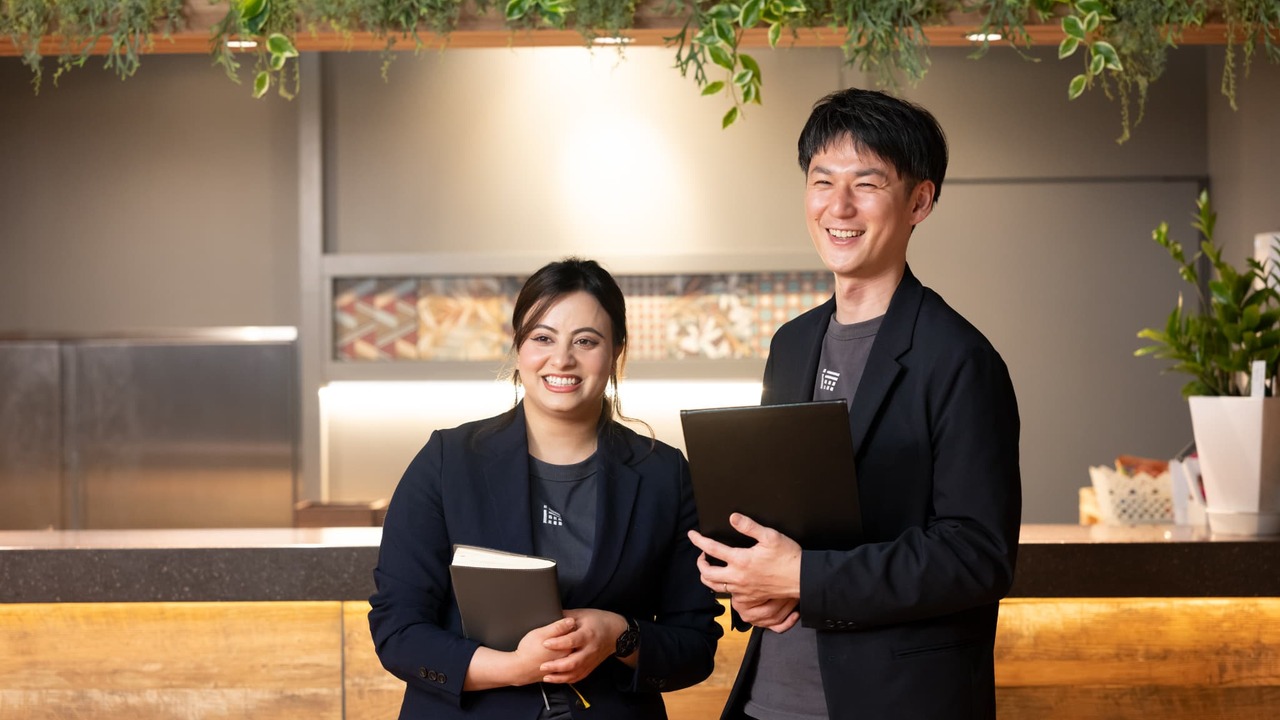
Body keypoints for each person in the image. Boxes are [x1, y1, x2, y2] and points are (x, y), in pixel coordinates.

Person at [687, 88, 1022, 719]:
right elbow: (789, 521)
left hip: (893, 701)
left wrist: (803, 579)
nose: (838, 206)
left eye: (866, 183)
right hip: (769, 700)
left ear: (919, 200)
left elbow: (978, 556)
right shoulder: (792, 345)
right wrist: (752, 586)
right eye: (822, 181)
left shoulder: (959, 360)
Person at [368, 257, 723, 719]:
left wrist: (619, 634)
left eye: (586, 341)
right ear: (519, 348)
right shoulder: (446, 461)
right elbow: (397, 628)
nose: (562, 359)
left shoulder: (665, 474)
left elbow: (695, 644)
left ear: (616, 349)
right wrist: (512, 667)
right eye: (542, 338)